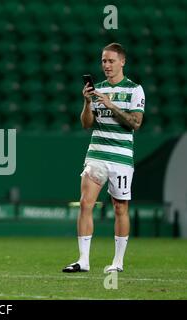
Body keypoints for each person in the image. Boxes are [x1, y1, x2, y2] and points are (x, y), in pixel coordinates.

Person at [63, 43, 145, 273]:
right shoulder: (97, 89)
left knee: (120, 208)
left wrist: (112, 106)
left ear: (122, 62)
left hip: (120, 158)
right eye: (103, 61)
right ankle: (83, 260)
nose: (106, 65)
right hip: (96, 154)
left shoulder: (134, 89)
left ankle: (118, 262)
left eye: (111, 61)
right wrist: (88, 103)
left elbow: (135, 123)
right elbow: (87, 124)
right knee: (85, 204)